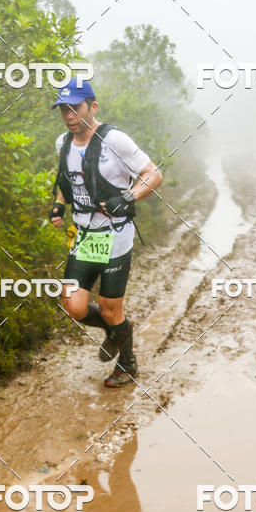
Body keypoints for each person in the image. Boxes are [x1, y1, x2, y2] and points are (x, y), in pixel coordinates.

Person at [49, 77, 163, 386]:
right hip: (84, 237)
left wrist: (128, 197)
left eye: (76, 109)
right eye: (64, 111)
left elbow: (153, 174)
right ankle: (116, 330)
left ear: (92, 106)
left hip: (115, 236)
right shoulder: (63, 144)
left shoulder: (116, 141)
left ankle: (127, 363)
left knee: (113, 309)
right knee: (73, 305)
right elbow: (66, 182)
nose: (70, 116)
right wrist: (59, 205)